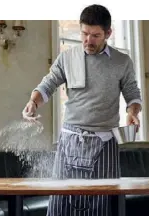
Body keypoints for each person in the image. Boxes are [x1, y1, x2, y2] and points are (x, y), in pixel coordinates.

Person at [22, 4, 142, 216]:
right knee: (60, 206)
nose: (88, 40)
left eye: (95, 35)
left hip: (105, 143)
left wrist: (133, 112)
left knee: (102, 206)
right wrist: (33, 102)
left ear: (108, 33)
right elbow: (48, 84)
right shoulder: (67, 58)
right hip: (70, 142)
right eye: (84, 33)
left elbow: (132, 94)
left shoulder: (122, 61)